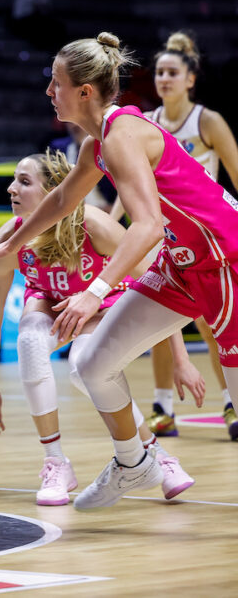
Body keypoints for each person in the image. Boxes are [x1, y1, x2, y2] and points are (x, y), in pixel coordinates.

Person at [0, 32, 238, 511]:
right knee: (91, 364)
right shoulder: (98, 144)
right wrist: (13, 241)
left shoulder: (120, 137)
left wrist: (95, 291)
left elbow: (150, 226)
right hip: (182, 263)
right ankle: (135, 462)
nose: (48, 92)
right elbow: (60, 199)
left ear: (84, 92)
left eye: (55, 83)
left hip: (225, 260)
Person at [0, 150, 199, 506]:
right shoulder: (9, 240)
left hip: (104, 304)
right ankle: (56, 464)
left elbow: (157, 282)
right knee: (31, 339)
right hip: (52, 305)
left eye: (23, 181)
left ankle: (156, 455)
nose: (10, 189)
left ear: (55, 190)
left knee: (85, 368)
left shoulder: (93, 224)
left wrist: (181, 358)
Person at [127, 31, 238, 441]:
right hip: (160, 231)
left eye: (172, 72)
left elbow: (236, 174)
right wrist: (111, 218)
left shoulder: (207, 121)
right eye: (158, 72)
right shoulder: (145, 124)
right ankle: (162, 407)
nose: (164, 79)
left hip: (208, 237)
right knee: (157, 322)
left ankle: (229, 400)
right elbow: (130, 184)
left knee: (214, 325)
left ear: (190, 79)